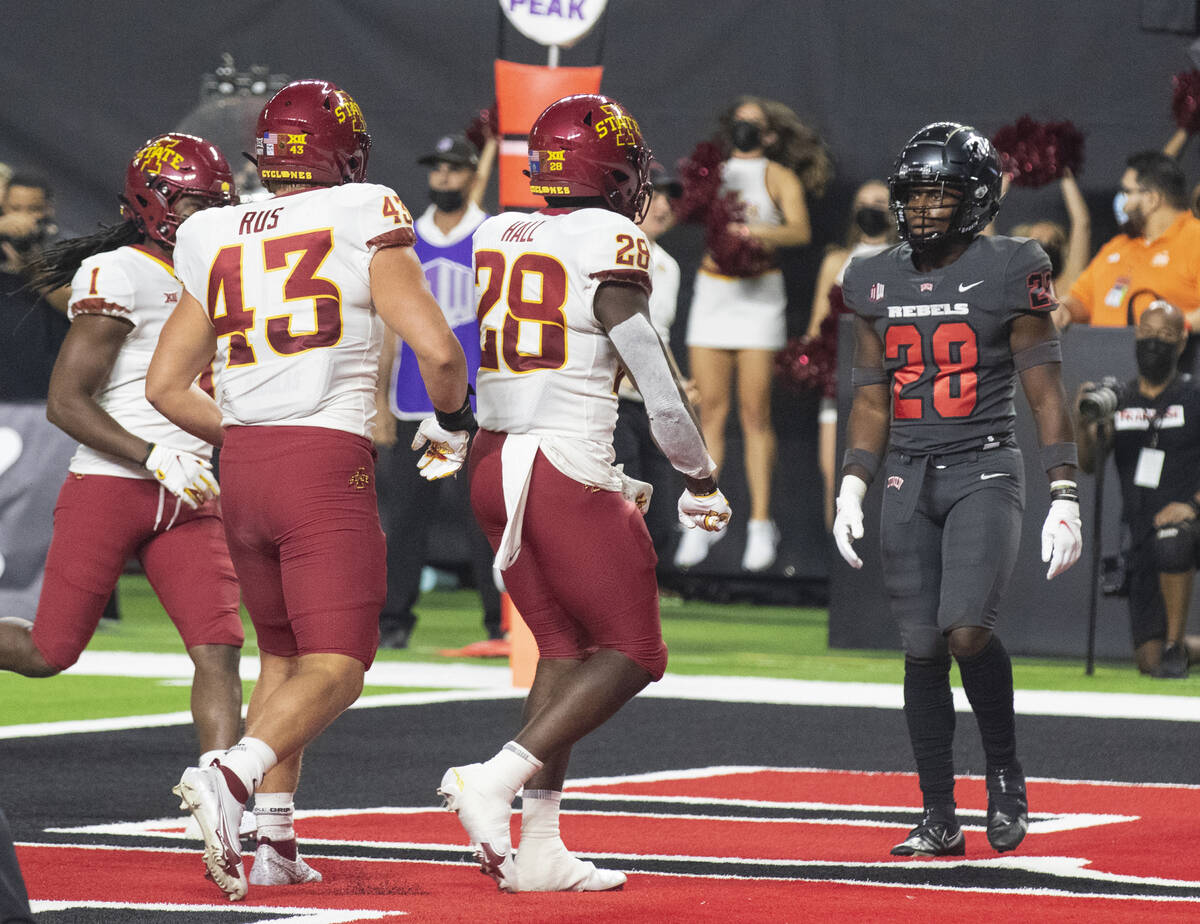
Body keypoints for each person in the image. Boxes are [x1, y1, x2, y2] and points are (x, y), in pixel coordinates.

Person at [146, 79, 471, 902]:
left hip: (246, 465)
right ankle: (233, 774)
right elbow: (436, 349)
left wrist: (251, 436)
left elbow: (165, 386)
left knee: (284, 657)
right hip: (324, 460)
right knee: (342, 663)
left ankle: (274, 842)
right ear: (347, 149)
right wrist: (455, 423)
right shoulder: (363, 209)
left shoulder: (212, 229)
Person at [437, 92, 730, 893]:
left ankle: (538, 848)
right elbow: (658, 386)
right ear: (613, 172)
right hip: (563, 461)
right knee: (636, 650)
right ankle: (494, 779)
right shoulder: (612, 236)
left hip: (496, 460)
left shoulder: (498, 230)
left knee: (564, 652)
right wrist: (699, 475)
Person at [833, 122, 1083, 858]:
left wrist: (1063, 488)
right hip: (908, 474)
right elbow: (873, 397)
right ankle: (938, 815)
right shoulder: (871, 275)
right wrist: (853, 481)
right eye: (914, 194)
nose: (923, 209)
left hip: (983, 464)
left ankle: (1005, 774)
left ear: (976, 197)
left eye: (940, 194)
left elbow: (1045, 389)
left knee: (966, 629)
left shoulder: (1013, 266)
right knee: (919, 649)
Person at [0, 134, 245, 785]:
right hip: (112, 484)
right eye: (195, 202)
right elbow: (65, 401)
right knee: (49, 653)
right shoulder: (121, 271)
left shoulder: (219, 270)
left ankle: (224, 806)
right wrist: (153, 453)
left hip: (190, 493)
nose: (207, 216)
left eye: (216, 203)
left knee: (219, 650)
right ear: (155, 202)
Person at [677, 95, 830, 572]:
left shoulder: (777, 176)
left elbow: (801, 231)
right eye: (738, 122)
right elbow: (687, 210)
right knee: (710, 412)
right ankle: (702, 520)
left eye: (754, 125)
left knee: (754, 414)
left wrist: (756, 233)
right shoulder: (714, 172)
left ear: (768, 135)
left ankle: (762, 524)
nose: (744, 129)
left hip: (760, 296)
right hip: (714, 293)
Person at [375, 133, 500, 650]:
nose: (443, 177)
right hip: (410, 396)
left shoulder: (493, 235)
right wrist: (378, 400)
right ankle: (392, 621)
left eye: (454, 168)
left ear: (472, 175)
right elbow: (387, 325)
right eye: (436, 168)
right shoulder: (405, 237)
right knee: (404, 519)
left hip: (480, 399)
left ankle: (502, 623)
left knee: (486, 517)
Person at [1076, 301, 1200, 678]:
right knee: (1148, 662)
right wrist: (1083, 424)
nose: (1153, 343)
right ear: (1134, 337)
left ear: (1181, 341)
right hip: (1140, 532)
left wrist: (1192, 506)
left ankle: (1175, 645)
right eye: (1146, 334)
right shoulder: (1121, 399)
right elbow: (1088, 464)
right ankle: (1174, 648)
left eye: (1164, 336)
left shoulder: (1193, 396)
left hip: (1189, 523)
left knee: (1172, 538)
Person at [0, 172, 75, 624]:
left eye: (33, 209)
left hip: (43, 398)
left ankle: (34, 606)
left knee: (40, 513)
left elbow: (72, 304)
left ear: (49, 209)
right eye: (15, 209)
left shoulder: (66, 250)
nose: (24, 218)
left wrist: (29, 255)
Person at [806, 179, 898, 526]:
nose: (871, 208)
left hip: (887, 383)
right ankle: (839, 555)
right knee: (833, 469)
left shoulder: (905, 260)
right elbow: (817, 324)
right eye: (864, 202)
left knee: (880, 471)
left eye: (880, 201)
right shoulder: (837, 260)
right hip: (838, 383)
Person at [612, 162, 693, 556]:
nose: (662, 206)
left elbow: (656, 335)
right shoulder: (609, 251)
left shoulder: (669, 266)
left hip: (653, 405)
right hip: (611, 404)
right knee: (621, 509)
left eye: (666, 197)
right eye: (651, 196)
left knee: (659, 514)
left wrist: (678, 383)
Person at [1057, 151, 1200, 329]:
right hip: (1097, 354)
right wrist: (1064, 308)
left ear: (1152, 199)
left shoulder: (1195, 240)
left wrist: (1176, 329)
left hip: (1168, 356)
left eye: (1127, 192)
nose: (1122, 202)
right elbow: (1083, 299)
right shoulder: (1117, 245)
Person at [1007, 167, 1091, 298]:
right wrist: (1007, 174)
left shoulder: (1066, 284)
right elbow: (986, 228)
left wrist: (1064, 170)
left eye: (1054, 242)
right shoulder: (1007, 283)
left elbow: (1082, 223)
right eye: (1038, 241)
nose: (1046, 247)